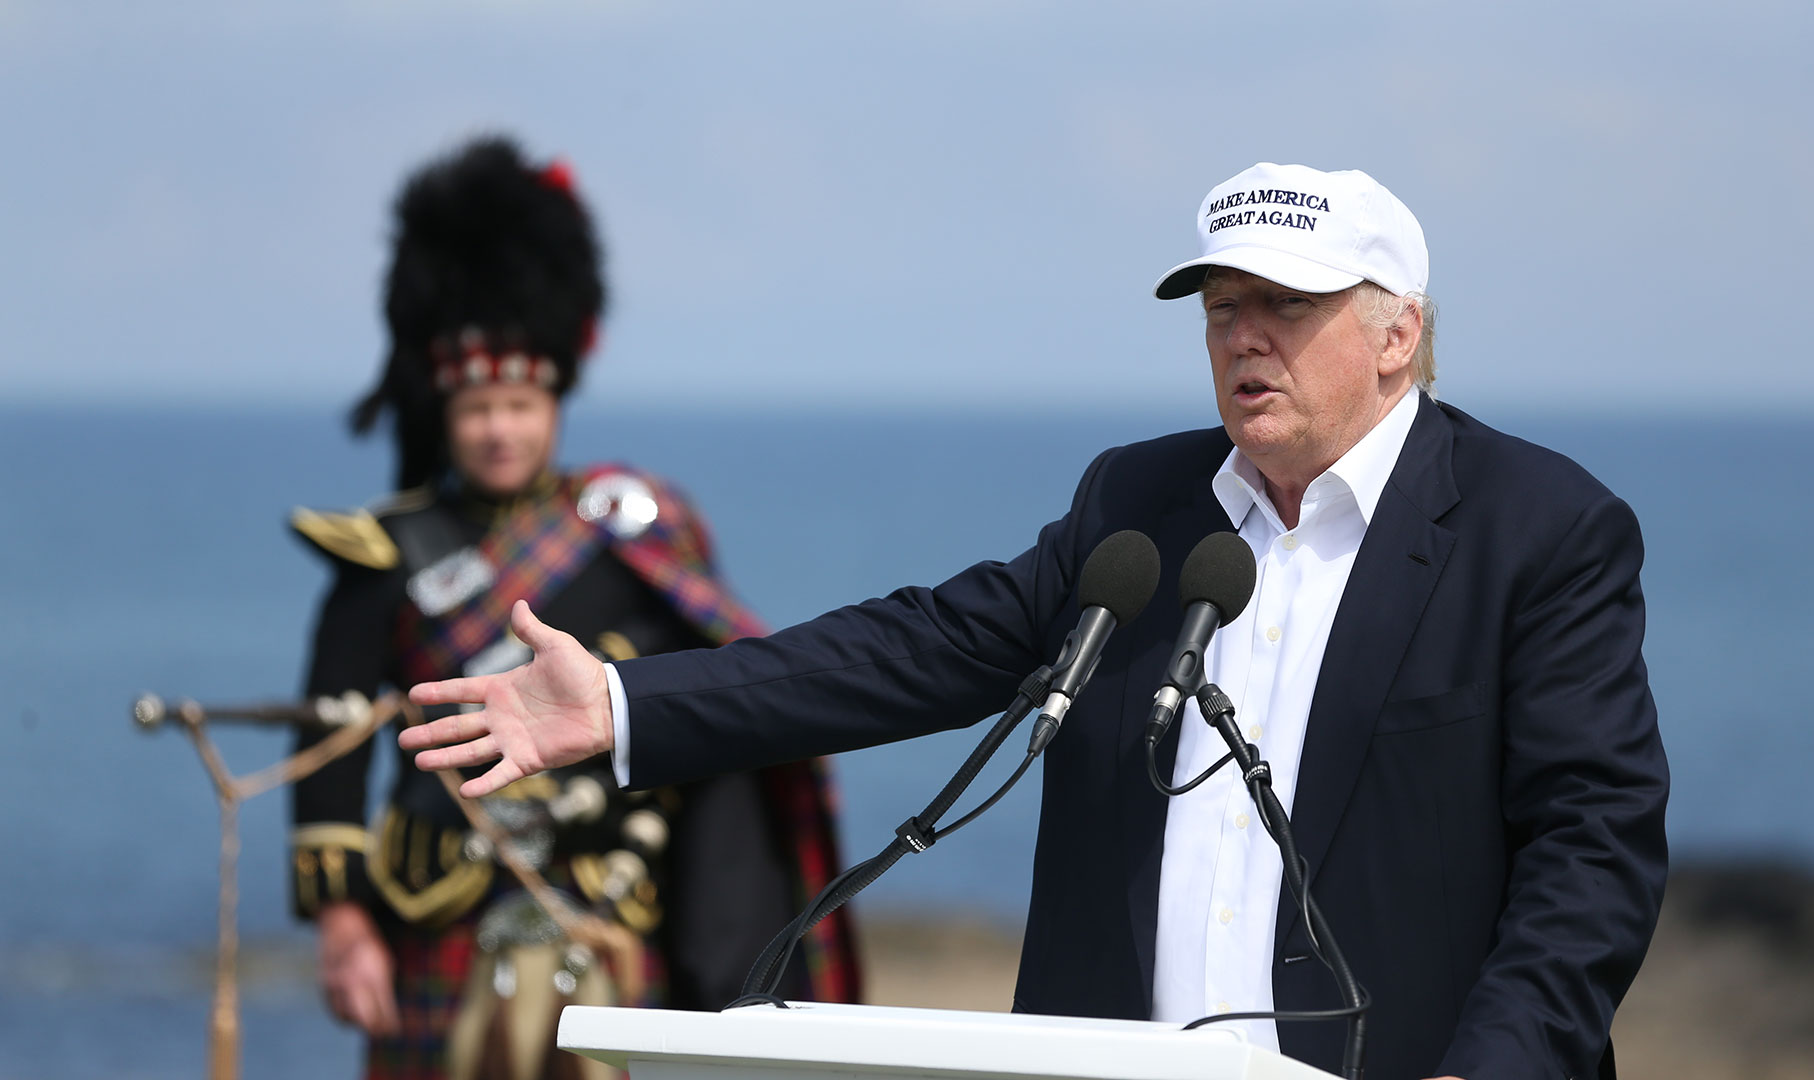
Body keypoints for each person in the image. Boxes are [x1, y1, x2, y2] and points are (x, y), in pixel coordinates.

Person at [399, 162, 1668, 1080]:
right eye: (1223, 307)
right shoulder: (1142, 505)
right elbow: (918, 649)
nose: (1244, 339)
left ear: (1399, 335)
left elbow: (1593, 849)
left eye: (1287, 306)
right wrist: (627, 705)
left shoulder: (1537, 529)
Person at [288, 136, 858, 1079]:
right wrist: (344, 924)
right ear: (443, 412)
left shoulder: (634, 530)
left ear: (555, 398)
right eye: (477, 410)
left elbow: (718, 710)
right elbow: (330, 741)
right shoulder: (382, 556)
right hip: (439, 916)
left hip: (614, 914)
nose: (499, 429)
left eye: (519, 403)